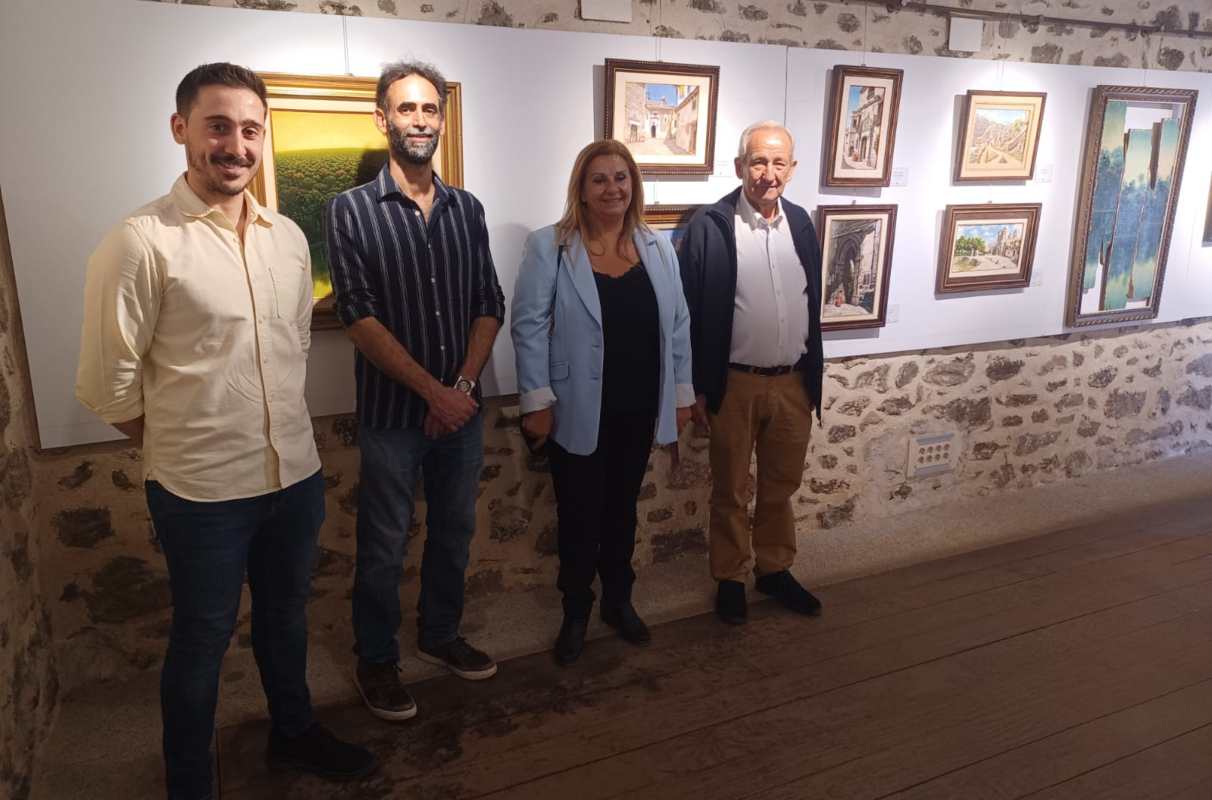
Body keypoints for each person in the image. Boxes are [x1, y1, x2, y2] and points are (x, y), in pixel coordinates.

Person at [75, 63, 376, 800]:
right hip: (201, 490)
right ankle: (189, 785)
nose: (234, 145)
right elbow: (104, 385)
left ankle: (294, 732)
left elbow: (293, 348)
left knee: (285, 621)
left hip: (295, 477)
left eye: (249, 129)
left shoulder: (288, 239)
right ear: (181, 130)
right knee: (202, 643)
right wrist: (186, 437)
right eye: (217, 126)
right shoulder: (140, 242)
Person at [324, 61, 506, 721]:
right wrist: (434, 392)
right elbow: (358, 317)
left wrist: (460, 388)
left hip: (461, 410)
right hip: (393, 417)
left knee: (454, 531)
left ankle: (438, 635)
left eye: (430, 109)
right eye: (407, 109)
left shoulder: (468, 209)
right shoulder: (348, 212)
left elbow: (490, 302)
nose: (420, 120)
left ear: (441, 119)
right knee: (382, 543)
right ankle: (375, 659)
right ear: (383, 119)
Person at [511, 140, 694, 665]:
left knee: (621, 512)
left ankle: (619, 601)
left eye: (621, 177)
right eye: (600, 179)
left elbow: (678, 325)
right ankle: (575, 611)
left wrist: (681, 394)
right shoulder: (552, 245)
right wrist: (536, 400)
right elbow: (528, 326)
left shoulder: (657, 247)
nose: (612, 188)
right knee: (579, 515)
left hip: (640, 403)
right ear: (582, 190)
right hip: (575, 406)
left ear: (632, 185)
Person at [678, 121, 825, 626]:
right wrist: (695, 387)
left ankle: (774, 569)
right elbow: (688, 313)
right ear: (740, 166)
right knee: (730, 489)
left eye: (778, 162)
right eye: (758, 162)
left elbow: (812, 303)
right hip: (734, 383)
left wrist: (811, 380)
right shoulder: (711, 226)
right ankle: (730, 577)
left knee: (782, 485)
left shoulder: (802, 224)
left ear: (793, 168)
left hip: (792, 382)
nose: (768, 173)